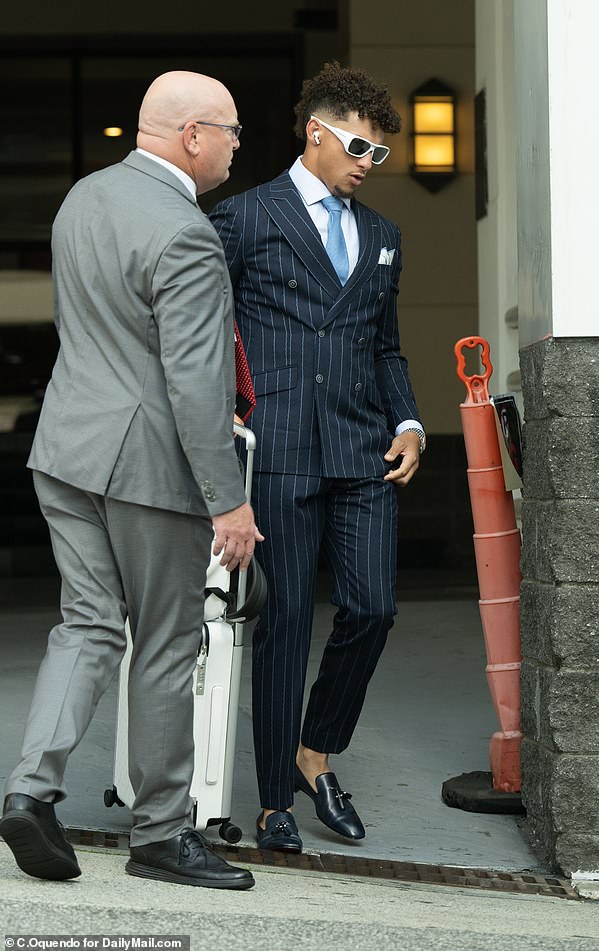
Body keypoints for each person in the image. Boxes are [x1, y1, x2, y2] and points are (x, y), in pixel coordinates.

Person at [0, 71, 263, 889]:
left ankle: (29, 790)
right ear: (191, 135)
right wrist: (230, 499)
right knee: (164, 643)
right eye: (230, 130)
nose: (234, 145)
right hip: (147, 466)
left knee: (84, 627)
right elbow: (196, 382)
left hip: (65, 449)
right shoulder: (187, 231)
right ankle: (159, 834)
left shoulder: (82, 198)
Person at [210, 61, 425, 853]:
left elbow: (386, 347)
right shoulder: (243, 218)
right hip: (280, 450)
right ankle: (274, 800)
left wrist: (408, 421)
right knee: (288, 623)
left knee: (373, 608)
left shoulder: (382, 237)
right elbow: (208, 334)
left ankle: (315, 751)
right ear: (316, 132)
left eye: (381, 155)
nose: (370, 165)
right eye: (361, 148)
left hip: (365, 448)